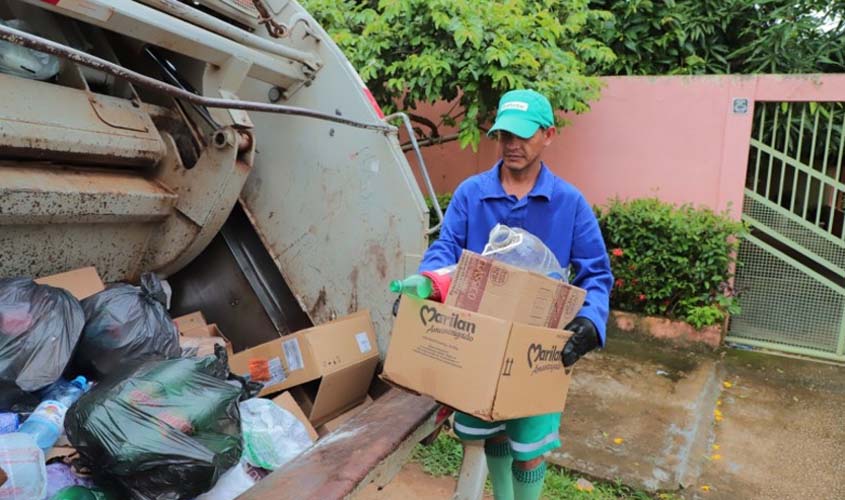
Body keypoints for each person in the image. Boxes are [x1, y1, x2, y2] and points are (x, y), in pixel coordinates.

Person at [418, 89, 613, 500]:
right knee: (491, 430)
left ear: (548, 135)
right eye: (505, 134)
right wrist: (427, 281)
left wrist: (591, 321)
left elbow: (596, 273)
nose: (513, 144)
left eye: (523, 135)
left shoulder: (568, 203)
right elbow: (445, 248)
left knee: (530, 445)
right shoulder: (473, 194)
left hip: (538, 347)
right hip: (478, 338)